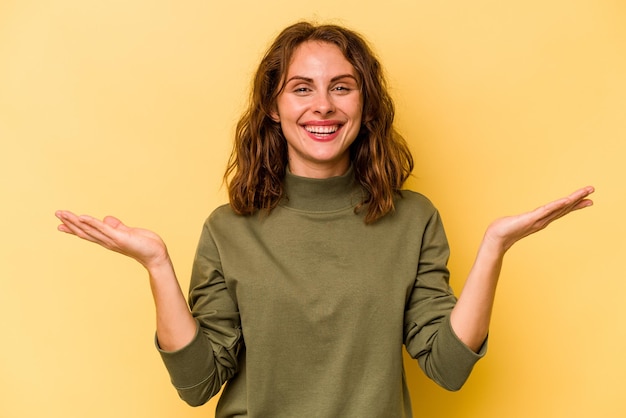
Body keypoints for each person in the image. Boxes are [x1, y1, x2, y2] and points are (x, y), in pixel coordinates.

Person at [55, 22, 594, 418]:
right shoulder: (228, 228)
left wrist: (495, 248)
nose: (324, 106)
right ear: (273, 106)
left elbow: (447, 369)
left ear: (366, 103)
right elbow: (198, 385)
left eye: (342, 86)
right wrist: (156, 265)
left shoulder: (414, 219)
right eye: (302, 88)